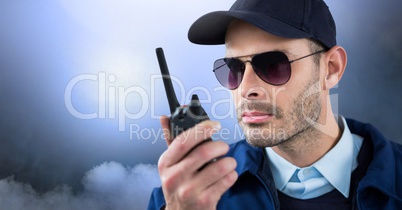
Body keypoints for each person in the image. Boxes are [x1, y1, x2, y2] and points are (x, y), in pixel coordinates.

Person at [148, 0, 402, 209]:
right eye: (234, 68)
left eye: (273, 65)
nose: (246, 89)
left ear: (331, 69)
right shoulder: (181, 196)